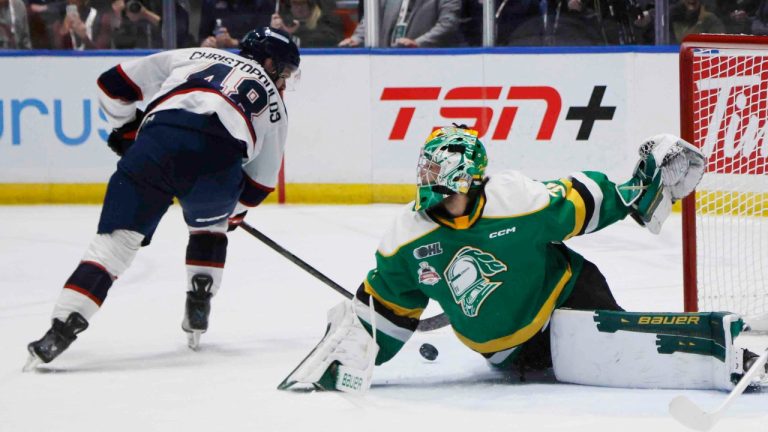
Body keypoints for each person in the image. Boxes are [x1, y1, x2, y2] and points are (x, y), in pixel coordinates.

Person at [279, 126, 767, 393]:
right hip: (506, 347)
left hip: (566, 289)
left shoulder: (517, 199)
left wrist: (634, 191)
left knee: (617, 341)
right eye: (428, 176)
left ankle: (720, 358)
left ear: (470, 181)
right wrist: (342, 362)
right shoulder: (405, 240)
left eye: (443, 180)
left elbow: (581, 201)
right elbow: (382, 314)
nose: (433, 189)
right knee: (575, 363)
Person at [24, 26, 300, 370]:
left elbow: (111, 85)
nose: (285, 82)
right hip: (217, 167)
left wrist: (126, 130)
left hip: (157, 144)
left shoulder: (192, 54)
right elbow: (259, 185)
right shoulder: (276, 106)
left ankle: (61, 328)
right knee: (210, 225)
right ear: (269, 61)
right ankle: (200, 298)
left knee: (112, 248)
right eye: (285, 71)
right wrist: (233, 212)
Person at [338, 0, 460, 47]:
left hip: (426, 64)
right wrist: (357, 38)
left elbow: (448, 24)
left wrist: (418, 44)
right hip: (385, 63)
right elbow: (372, 19)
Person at [199, 0, 274, 49]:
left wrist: (234, 43)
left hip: (250, 57)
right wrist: (208, 42)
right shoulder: (210, 2)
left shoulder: (264, 3)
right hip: (218, 55)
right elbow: (203, 36)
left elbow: (264, 39)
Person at [270, 0, 344, 47]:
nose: (299, 8)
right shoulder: (283, 21)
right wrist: (273, 33)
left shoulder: (325, 19)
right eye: (295, 3)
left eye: (302, 3)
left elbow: (330, 39)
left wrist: (290, 38)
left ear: (311, 5)